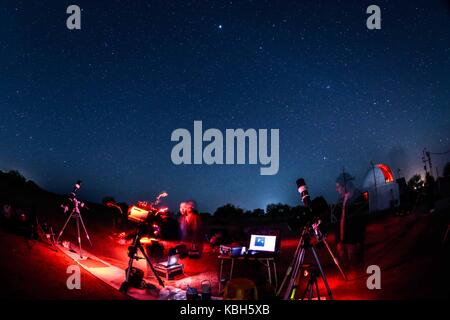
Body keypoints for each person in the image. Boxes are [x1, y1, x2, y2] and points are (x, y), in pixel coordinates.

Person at [334, 172, 368, 274]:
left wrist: (358, 241)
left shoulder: (358, 197)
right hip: (343, 241)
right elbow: (339, 220)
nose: (337, 189)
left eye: (338, 186)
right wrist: (338, 241)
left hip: (353, 241)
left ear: (345, 185)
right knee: (347, 269)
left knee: (357, 269)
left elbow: (361, 222)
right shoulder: (341, 199)